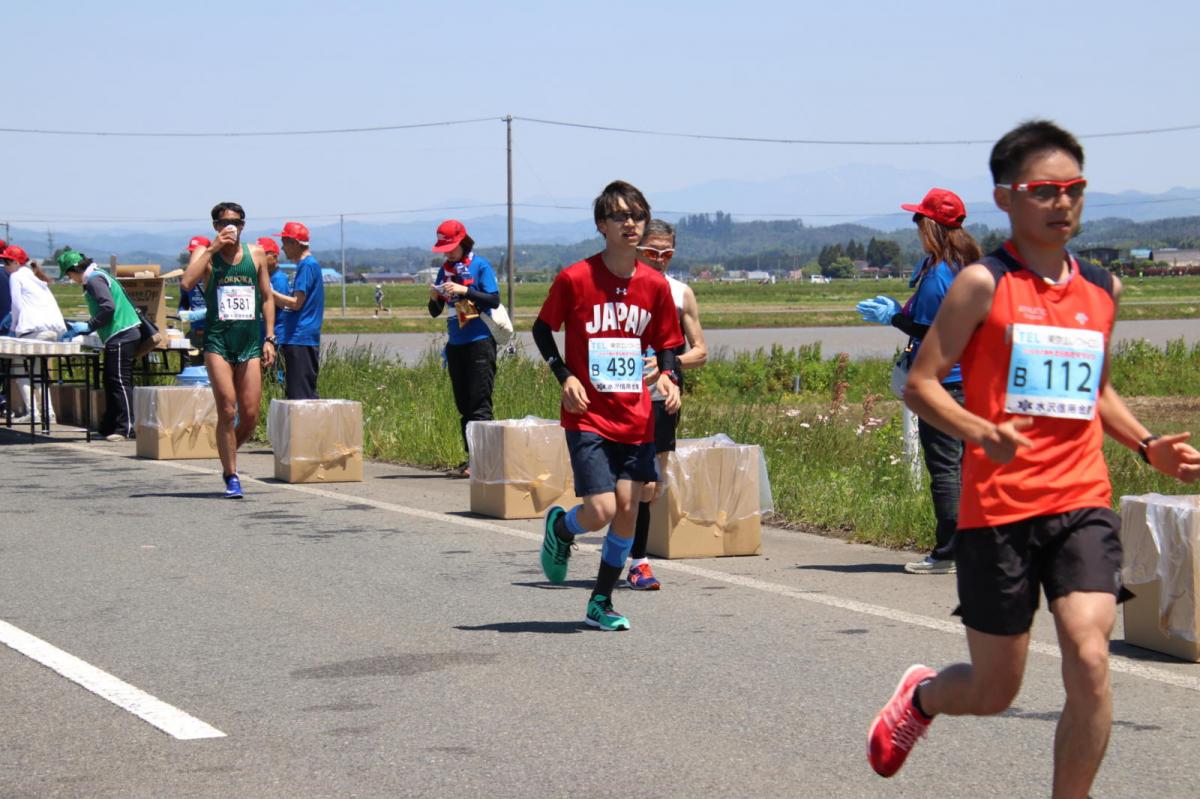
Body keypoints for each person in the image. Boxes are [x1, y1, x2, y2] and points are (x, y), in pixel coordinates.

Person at [866, 120, 1200, 797]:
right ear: (1006, 198)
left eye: (1074, 188)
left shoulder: (1103, 289)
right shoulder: (982, 285)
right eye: (1044, 190)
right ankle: (924, 697)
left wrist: (1144, 443)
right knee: (995, 688)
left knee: (1089, 653)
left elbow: (1096, 387)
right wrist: (978, 429)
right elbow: (923, 382)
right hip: (999, 512)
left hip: (1080, 503)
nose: (1063, 203)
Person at [533, 181, 684, 631]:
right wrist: (566, 376)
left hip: (635, 415)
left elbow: (668, 342)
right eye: (620, 216)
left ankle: (600, 601)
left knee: (628, 506)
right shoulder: (575, 278)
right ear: (602, 225)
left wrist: (672, 378)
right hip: (588, 415)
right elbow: (543, 330)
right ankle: (562, 529)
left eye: (637, 215)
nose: (631, 223)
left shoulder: (655, 286)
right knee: (598, 510)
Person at [855, 188, 981, 575]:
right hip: (972, 381)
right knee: (967, 469)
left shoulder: (939, 274)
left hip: (942, 383)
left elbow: (927, 330)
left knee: (944, 468)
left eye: (917, 222)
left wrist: (893, 316)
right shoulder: (970, 265)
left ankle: (948, 552)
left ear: (930, 227)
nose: (915, 229)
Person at [626, 219, 708, 590]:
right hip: (619, 396)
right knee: (622, 487)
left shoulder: (680, 293)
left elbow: (701, 352)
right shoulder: (619, 287)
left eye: (667, 253)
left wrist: (668, 364)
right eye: (651, 253)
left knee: (651, 486)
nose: (659, 260)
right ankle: (631, 556)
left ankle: (635, 559)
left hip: (663, 396)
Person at [181, 202, 276, 498]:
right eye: (224, 223)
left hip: (248, 343)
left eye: (236, 222)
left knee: (249, 416)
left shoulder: (256, 254)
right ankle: (231, 474)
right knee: (227, 408)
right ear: (215, 226)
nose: (230, 227)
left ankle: (226, 447)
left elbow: (266, 298)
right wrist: (210, 250)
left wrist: (270, 338)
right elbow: (186, 282)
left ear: (244, 225)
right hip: (218, 342)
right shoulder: (205, 254)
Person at [427, 219, 501, 474]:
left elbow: (493, 299)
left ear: (463, 242)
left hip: (479, 342)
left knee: (479, 404)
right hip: (456, 344)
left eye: (451, 247)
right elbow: (435, 312)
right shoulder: (444, 271)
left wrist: (464, 290)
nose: (448, 253)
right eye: (444, 249)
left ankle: (483, 462)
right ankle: (472, 458)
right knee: (464, 405)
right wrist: (435, 296)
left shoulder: (480, 266)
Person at [58, 248, 141, 441]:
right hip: (119, 334)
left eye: (69, 275)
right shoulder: (98, 275)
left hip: (122, 333)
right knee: (111, 381)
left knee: (119, 382)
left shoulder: (94, 279)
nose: (71, 279)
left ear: (74, 269)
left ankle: (126, 428)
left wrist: (89, 325)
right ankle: (109, 426)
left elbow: (108, 307)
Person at [3, 245, 66, 423]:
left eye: (6, 262)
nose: (5, 266)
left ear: (15, 262)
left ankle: (33, 412)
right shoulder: (35, 278)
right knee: (39, 371)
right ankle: (49, 413)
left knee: (18, 368)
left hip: (33, 331)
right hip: (52, 332)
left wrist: (14, 329)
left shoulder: (16, 277)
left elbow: (16, 306)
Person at [271, 222, 323, 400]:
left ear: (295, 243)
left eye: (284, 242)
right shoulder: (306, 265)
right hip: (297, 336)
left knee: (301, 396)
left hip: (300, 337)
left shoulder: (307, 265)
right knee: (294, 393)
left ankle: (306, 427)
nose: (282, 248)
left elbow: (296, 303)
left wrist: (269, 291)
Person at [178, 236, 210, 360]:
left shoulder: (216, 274)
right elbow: (184, 302)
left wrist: (206, 313)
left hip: (214, 332)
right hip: (195, 332)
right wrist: (182, 313)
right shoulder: (188, 279)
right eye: (191, 252)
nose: (193, 256)